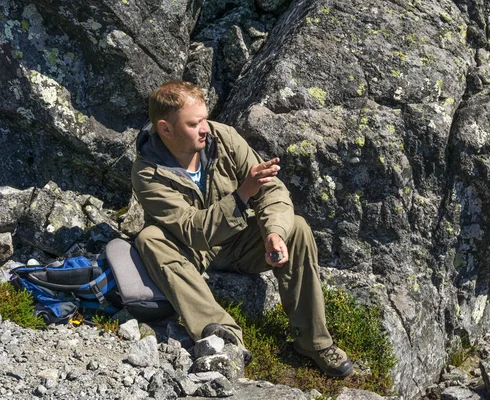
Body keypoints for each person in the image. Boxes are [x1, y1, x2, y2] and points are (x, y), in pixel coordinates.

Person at [131, 80, 353, 378]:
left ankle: (314, 341)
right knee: (149, 238)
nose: (205, 128)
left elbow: (271, 191)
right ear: (166, 129)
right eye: (194, 123)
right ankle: (223, 334)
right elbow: (192, 231)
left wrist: (274, 232)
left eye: (205, 119)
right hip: (190, 251)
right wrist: (242, 194)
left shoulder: (224, 138)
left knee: (296, 227)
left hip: (237, 242)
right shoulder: (147, 173)